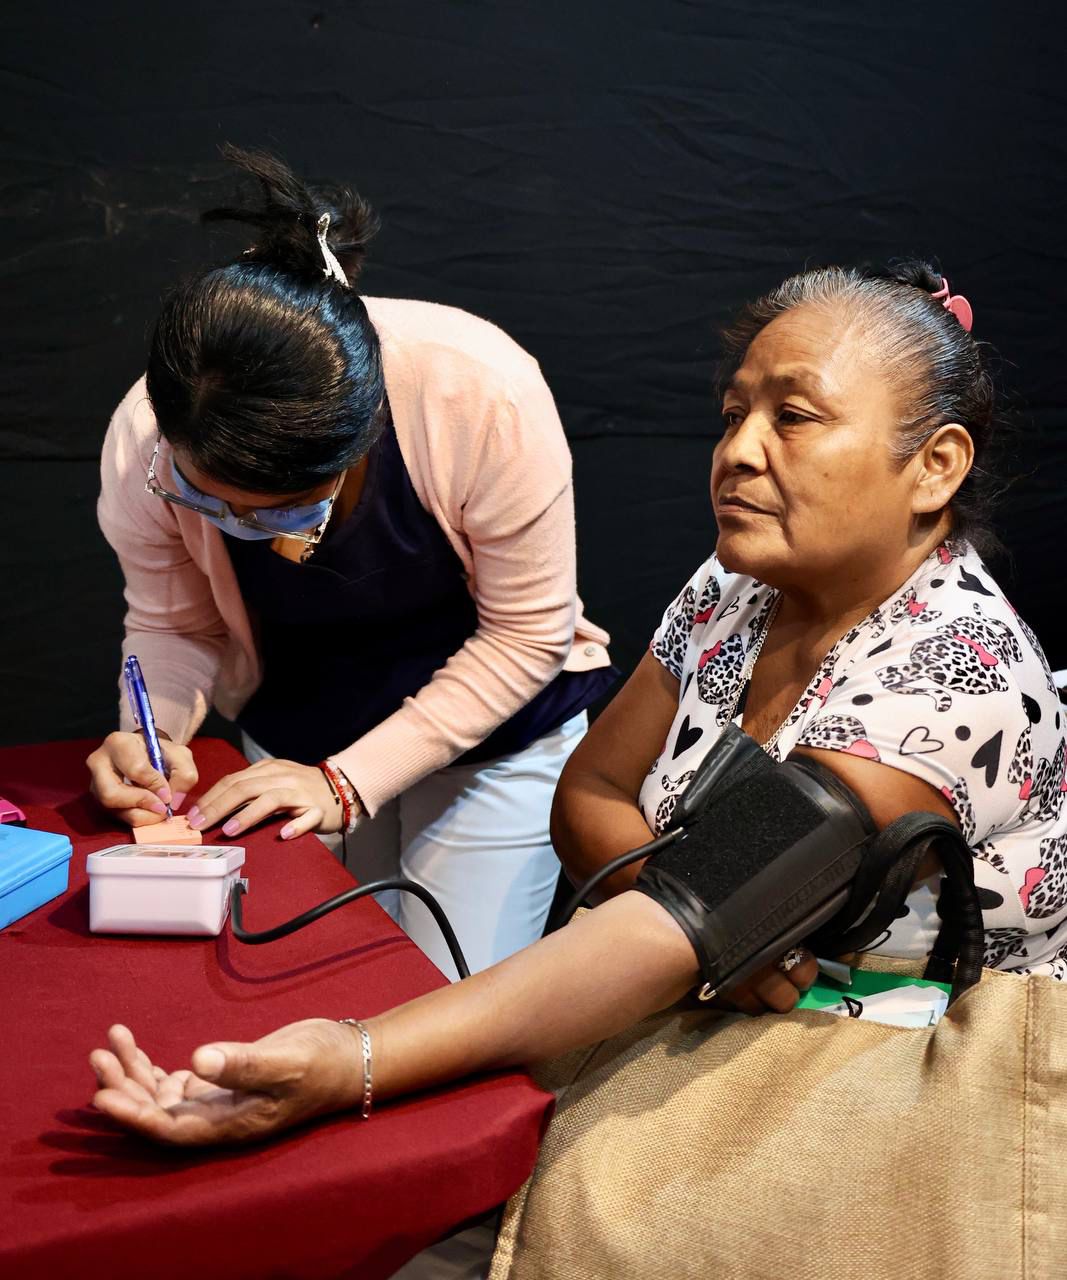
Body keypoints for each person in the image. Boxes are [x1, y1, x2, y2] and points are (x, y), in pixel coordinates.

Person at [90, 263, 1065, 1162]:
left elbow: (673, 909)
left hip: (906, 1094)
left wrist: (353, 1059)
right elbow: (587, 794)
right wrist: (712, 917)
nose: (736, 450)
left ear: (935, 466)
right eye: (732, 414)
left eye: (793, 417)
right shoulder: (731, 591)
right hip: (729, 1027)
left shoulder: (953, 678)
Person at [85, 147, 615, 979]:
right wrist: (148, 737)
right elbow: (175, 625)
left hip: (495, 735)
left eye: (285, 510)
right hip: (300, 728)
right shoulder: (145, 438)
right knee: (315, 987)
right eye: (206, 500)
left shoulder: (480, 392)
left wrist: (347, 784)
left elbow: (526, 634)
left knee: (443, 1000)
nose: (245, 530)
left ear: (362, 438)